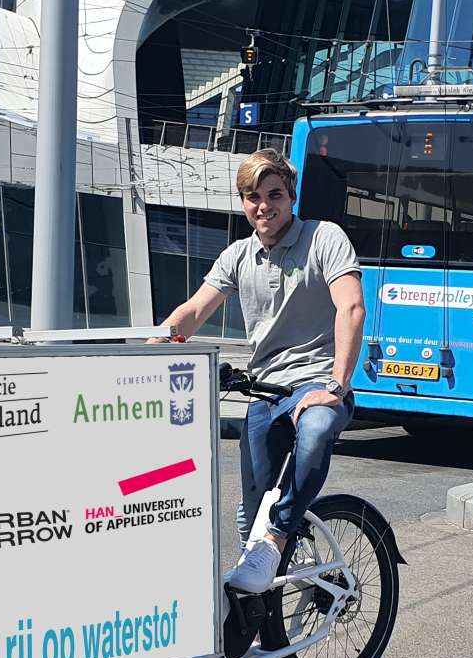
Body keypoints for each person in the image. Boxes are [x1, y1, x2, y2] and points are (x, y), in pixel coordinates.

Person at [156, 149, 365, 594]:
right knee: (251, 515)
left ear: (291, 196)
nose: (263, 205)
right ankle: (256, 616)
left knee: (315, 433)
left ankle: (280, 535)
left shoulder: (323, 238)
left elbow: (350, 306)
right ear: (244, 202)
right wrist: (152, 345)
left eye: (273, 194)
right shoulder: (238, 255)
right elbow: (194, 311)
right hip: (264, 391)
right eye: (253, 196)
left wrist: (337, 385)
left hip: (317, 382)